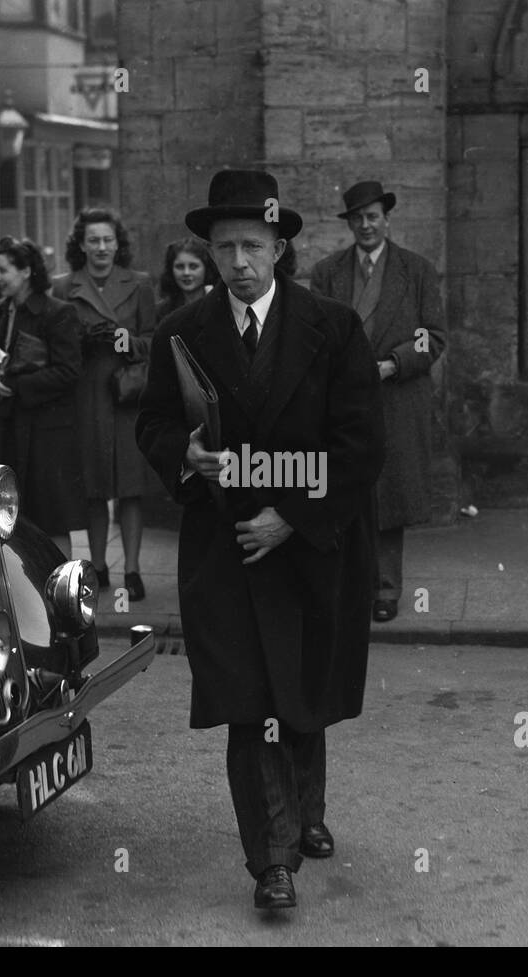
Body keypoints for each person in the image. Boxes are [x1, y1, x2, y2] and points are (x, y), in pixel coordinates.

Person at [137, 170, 384, 912]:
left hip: (313, 547)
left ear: (280, 247)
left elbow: (361, 447)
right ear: (207, 254)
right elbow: (151, 423)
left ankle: (306, 809)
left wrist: (294, 517)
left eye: (252, 245)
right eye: (223, 248)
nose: (238, 261)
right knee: (251, 702)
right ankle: (271, 861)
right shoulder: (181, 333)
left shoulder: (333, 328)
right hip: (228, 551)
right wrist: (185, 453)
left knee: (303, 691)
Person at [309, 180, 447, 623]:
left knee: (390, 495)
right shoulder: (328, 272)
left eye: (372, 216)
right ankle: (350, 584)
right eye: (357, 218)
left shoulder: (417, 270)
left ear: (386, 219)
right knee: (346, 491)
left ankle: (386, 589)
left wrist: (392, 363)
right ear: (348, 223)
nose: (365, 225)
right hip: (344, 401)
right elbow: (314, 334)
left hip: (397, 398)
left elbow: (433, 337)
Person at [51, 208, 157, 601]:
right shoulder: (63, 287)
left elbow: (154, 338)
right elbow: (56, 341)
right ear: (81, 244)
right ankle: (97, 566)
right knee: (94, 487)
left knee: (130, 486)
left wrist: (125, 341)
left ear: (118, 244)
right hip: (86, 395)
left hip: (126, 393)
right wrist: (83, 340)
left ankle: (132, 569)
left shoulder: (141, 284)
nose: (101, 248)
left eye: (107, 240)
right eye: (93, 240)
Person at [0, 237, 86, 559]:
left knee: (51, 518)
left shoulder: (58, 313)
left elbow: (69, 372)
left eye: (3, 270)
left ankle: (61, 590)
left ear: (25, 271)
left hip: (45, 434)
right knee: (8, 516)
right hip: (8, 428)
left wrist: (15, 384)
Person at [155, 235, 219, 321]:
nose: (186, 273)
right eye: (180, 267)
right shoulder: (162, 311)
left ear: (206, 268)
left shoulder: (219, 303)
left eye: (193, 266)